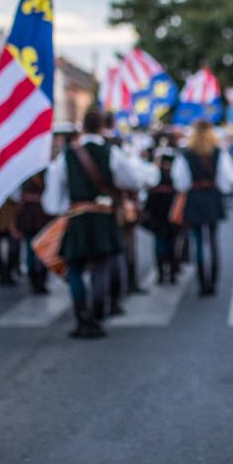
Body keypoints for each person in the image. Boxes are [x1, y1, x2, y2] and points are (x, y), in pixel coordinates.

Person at [42, 110, 158, 337]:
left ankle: (82, 318)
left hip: (76, 217)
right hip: (104, 217)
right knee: (101, 267)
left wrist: (63, 208)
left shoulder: (66, 155)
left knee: (75, 269)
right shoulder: (111, 152)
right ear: (103, 127)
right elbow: (133, 180)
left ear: (82, 127)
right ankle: (96, 317)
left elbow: (53, 197)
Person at [172, 120, 233, 297]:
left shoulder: (186, 154)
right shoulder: (218, 153)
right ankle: (213, 282)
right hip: (212, 196)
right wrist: (219, 188)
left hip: (194, 197)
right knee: (213, 240)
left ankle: (203, 282)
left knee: (198, 242)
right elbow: (231, 179)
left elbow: (180, 182)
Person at [143, 150, 179, 285]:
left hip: (157, 209)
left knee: (160, 241)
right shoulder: (174, 174)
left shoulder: (154, 173)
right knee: (171, 242)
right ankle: (172, 272)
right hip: (170, 208)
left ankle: (161, 273)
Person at [15, 173, 51, 295]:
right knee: (35, 249)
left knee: (37, 249)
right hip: (38, 215)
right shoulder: (44, 175)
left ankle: (38, 279)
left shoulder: (27, 176)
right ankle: (37, 279)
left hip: (34, 215)